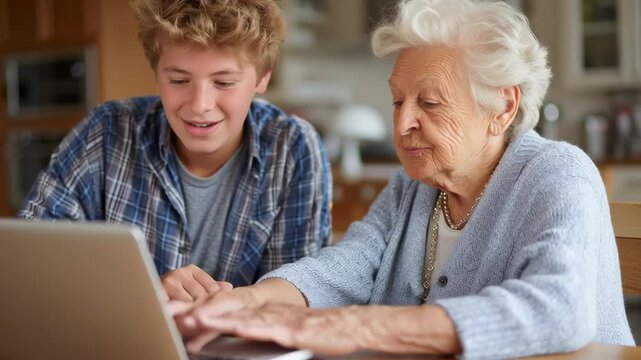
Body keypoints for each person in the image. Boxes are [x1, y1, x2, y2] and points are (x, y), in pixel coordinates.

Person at [171, 0, 636, 358]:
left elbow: (559, 309)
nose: (402, 124)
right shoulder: (413, 187)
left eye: (429, 104)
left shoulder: (557, 173)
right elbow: (342, 269)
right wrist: (247, 304)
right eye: (397, 102)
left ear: (504, 106)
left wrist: (351, 326)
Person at [17, 0, 332, 301]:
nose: (199, 106)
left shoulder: (293, 150)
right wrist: (147, 293)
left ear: (263, 77)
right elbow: (30, 262)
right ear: (157, 71)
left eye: (223, 83)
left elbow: (297, 295)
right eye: (179, 80)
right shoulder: (107, 132)